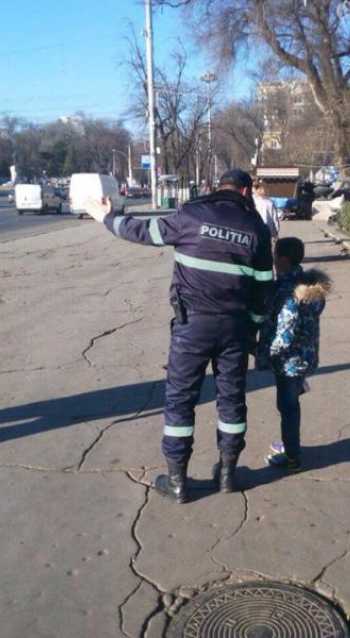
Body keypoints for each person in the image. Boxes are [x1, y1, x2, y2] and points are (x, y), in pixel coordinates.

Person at [84, 169, 273, 504]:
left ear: (218, 189)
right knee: (231, 400)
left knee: (180, 401)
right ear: (245, 192)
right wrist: (253, 329)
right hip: (235, 328)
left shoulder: (192, 215)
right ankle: (228, 475)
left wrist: (107, 217)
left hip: (192, 327)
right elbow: (263, 291)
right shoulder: (256, 228)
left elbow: (141, 231)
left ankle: (177, 483)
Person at [257, 237, 330, 472]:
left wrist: (263, 352)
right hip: (305, 355)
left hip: (288, 361)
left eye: (275, 256)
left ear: (284, 261)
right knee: (292, 403)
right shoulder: (309, 284)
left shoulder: (286, 292)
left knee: (287, 407)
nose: (273, 260)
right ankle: (291, 445)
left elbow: (285, 336)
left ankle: (292, 457)